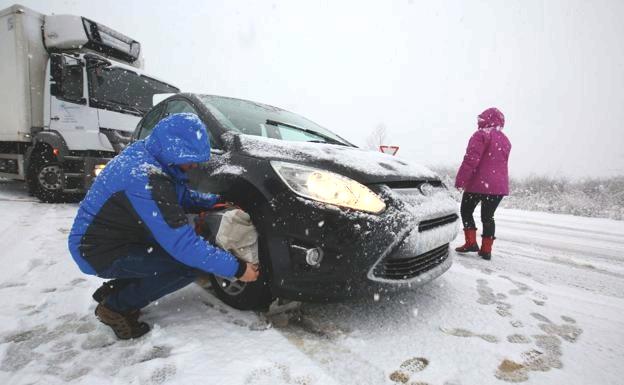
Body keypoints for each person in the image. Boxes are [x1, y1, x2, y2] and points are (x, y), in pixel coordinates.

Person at [68, 113, 259, 339]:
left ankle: (116, 290)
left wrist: (215, 202)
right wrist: (237, 269)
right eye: (190, 158)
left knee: (166, 256)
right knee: (186, 267)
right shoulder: (145, 177)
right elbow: (183, 245)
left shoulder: (150, 157)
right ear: (173, 150)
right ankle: (116, 307)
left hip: (117, 238)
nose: (194, 165)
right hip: (97, 250)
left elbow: (177, 197)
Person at [454, 107, 511, 260]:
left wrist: (461, 180)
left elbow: (471, 160)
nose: (479, 122)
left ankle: (471, 243)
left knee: (466, 211)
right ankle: (486, 250)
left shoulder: (481, 135)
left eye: (481, 119)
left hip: (479, 184)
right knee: (488, 217)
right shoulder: (505, 140)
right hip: (498, 187)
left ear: (487, 119)